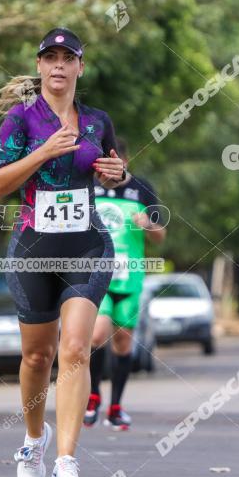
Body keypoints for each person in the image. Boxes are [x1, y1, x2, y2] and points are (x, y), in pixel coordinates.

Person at [0, 28, 126, 477]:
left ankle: (67, 463)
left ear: (80, 67)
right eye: (52, 57)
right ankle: (33, 439)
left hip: (86, 245)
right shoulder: (20, 121)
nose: (60, 65)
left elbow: (113, 170)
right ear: (40, 66)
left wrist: (116, 173)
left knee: (74, 350)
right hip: (33, 247)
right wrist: (43, 152)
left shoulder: (97, 121)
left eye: (69, 58)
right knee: (36, 356)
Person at [85, 155, 165, 431]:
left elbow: (160, 235)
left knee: (123, 342)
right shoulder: (86, 186)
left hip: (130, 279)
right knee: (96, 335)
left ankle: (116, 407)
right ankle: (93, 396)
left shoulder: (142, 188)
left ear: (124, 161)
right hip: (97, 276)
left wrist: (148, 224)